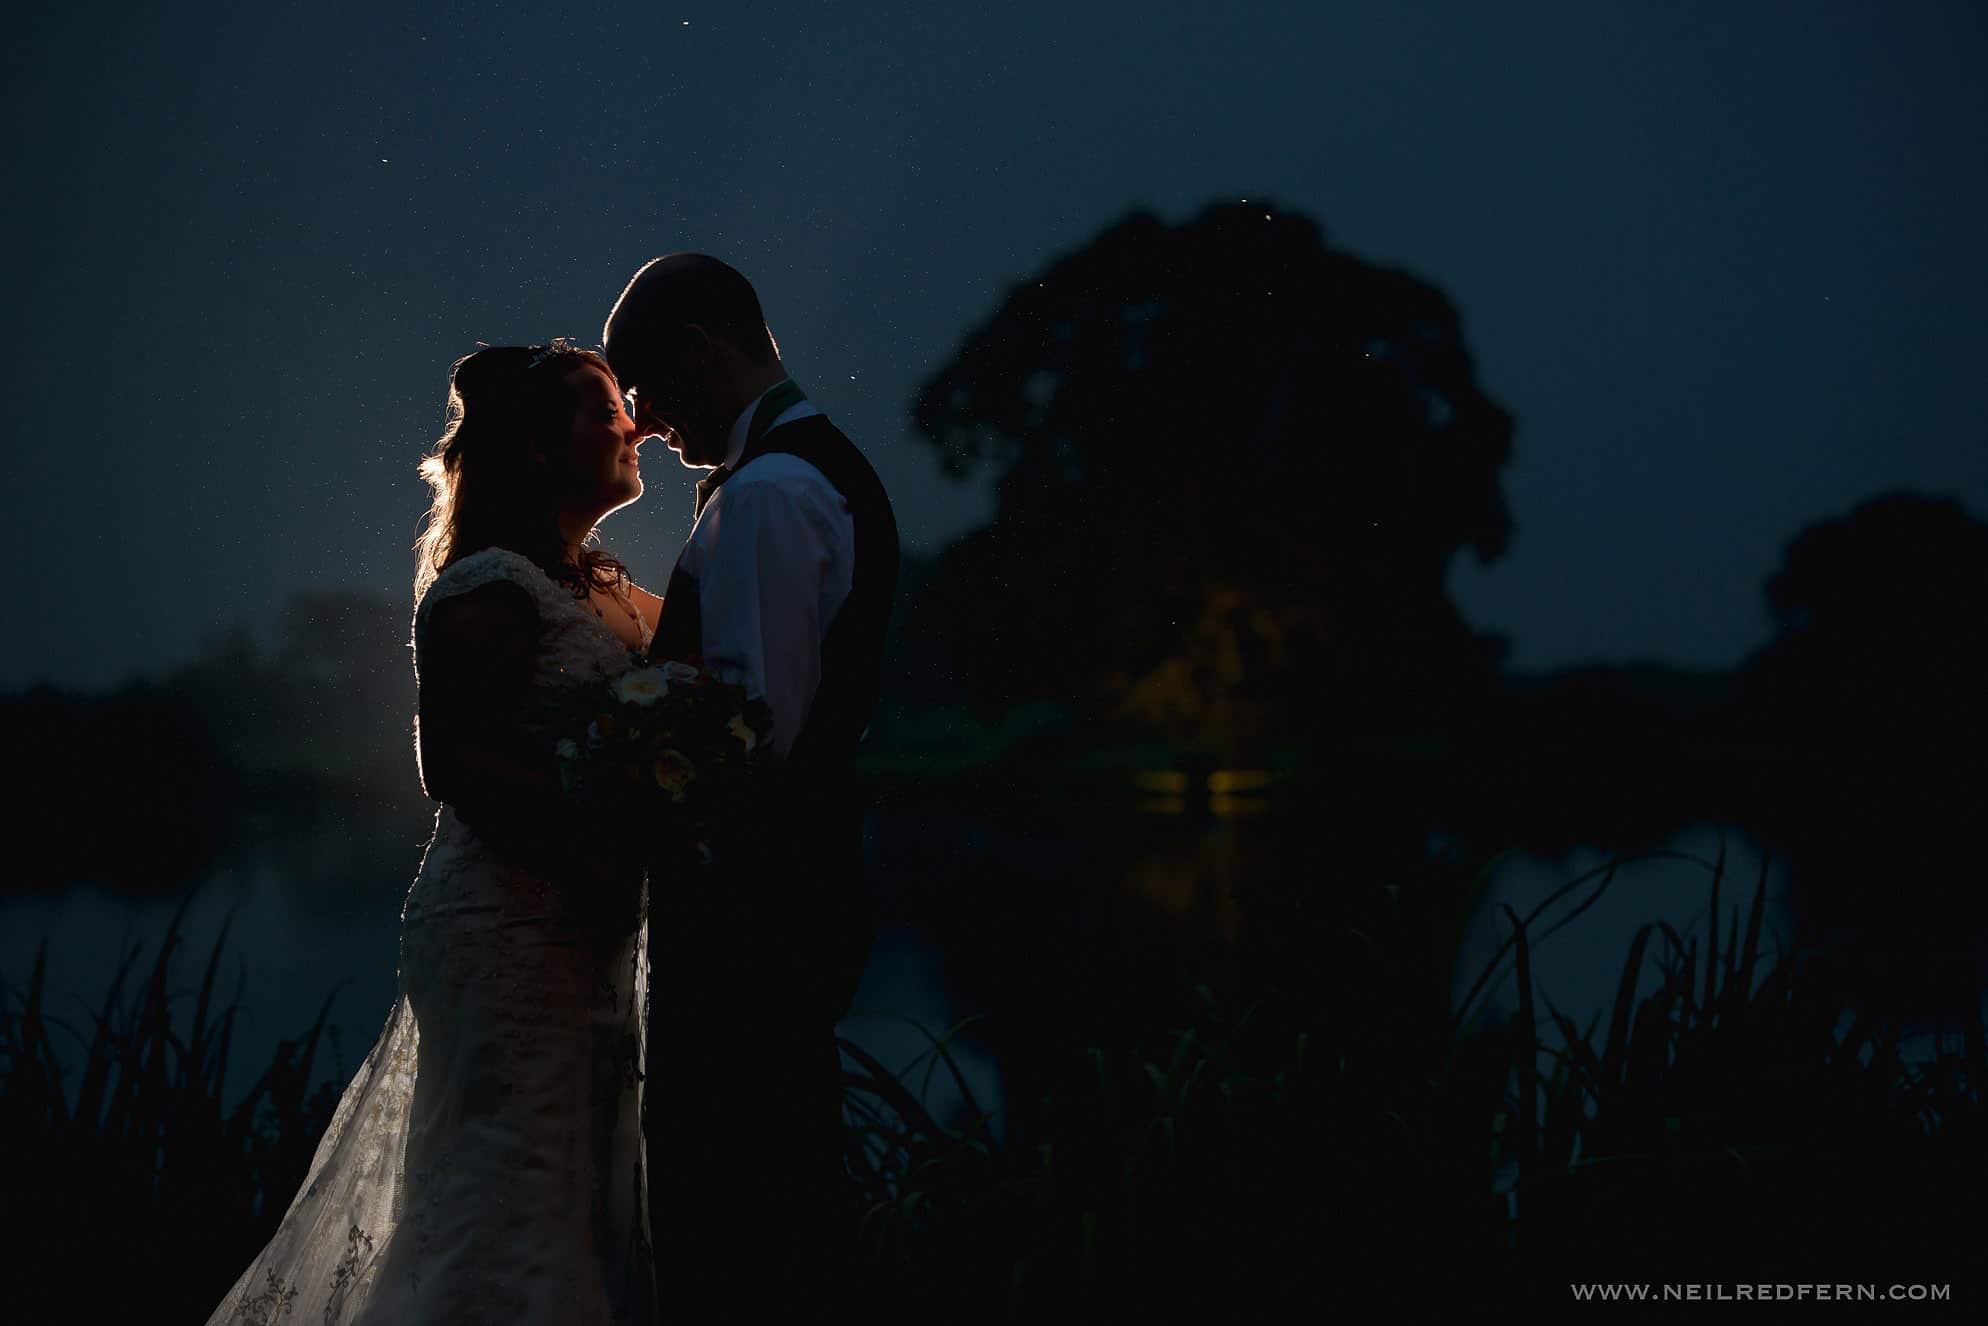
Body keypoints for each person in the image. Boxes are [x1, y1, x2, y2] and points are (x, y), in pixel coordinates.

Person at [204, 342, 665, 1324]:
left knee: (580, 1183)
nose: (631, 426)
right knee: (513, 1181)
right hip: (511, 925)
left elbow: (698, 662)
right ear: (537, 448)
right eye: (604, 411)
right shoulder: (489, 587)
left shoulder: (603, 587)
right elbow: (454, 766)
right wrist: (595, 839)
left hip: (585, 926)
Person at [603, 254, 900, 1307]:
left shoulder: (771, 494)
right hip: (784, 900)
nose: (641, 423)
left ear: (701, 350)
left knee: (742, 1217)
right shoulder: (786, 476)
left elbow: (747, 740)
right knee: (769, 1202)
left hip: (754, 916)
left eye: (644, 389)